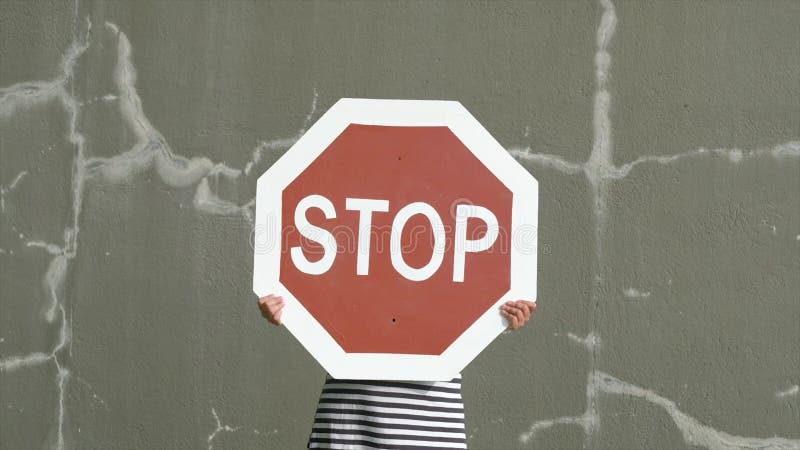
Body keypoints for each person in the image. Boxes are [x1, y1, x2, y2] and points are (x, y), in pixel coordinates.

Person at [258, 294, 537, 449]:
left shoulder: (459, 206)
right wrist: (285, 307)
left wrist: (501, 317)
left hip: (431, 419)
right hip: (351, 418)